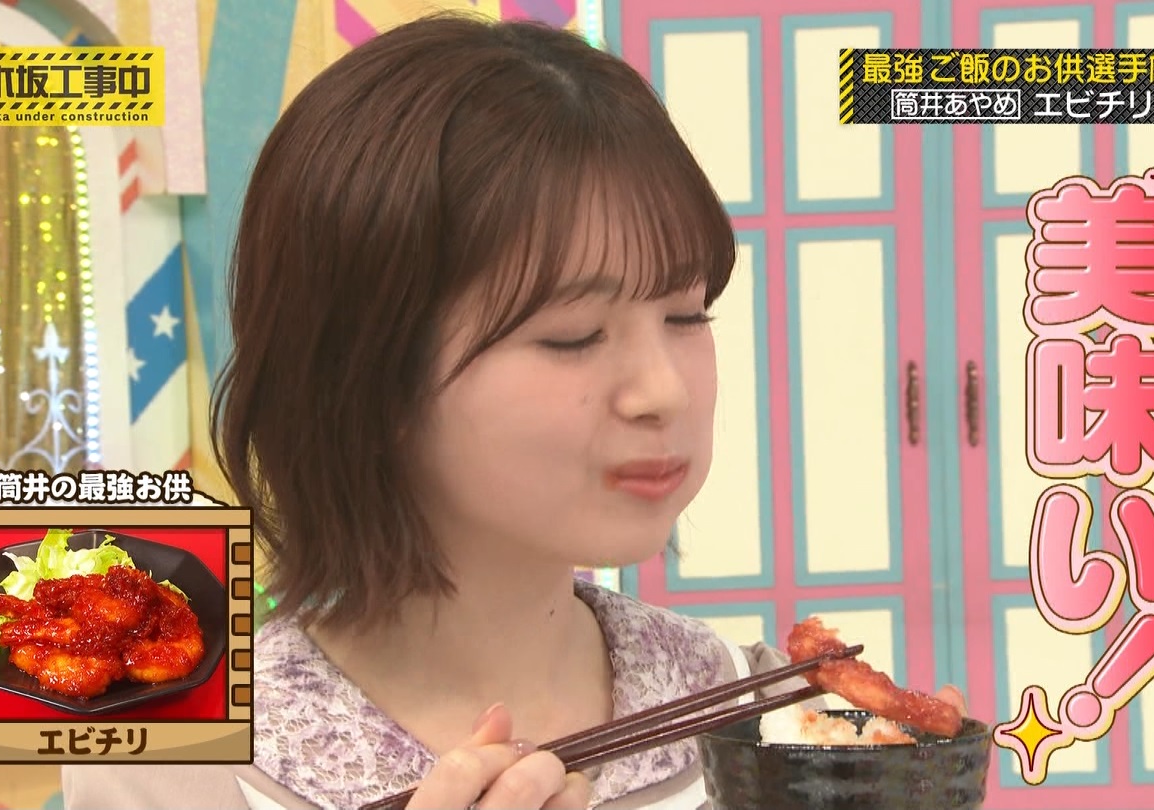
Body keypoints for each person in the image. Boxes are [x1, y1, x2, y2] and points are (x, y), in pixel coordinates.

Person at [63, 13, 964, 809]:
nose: (663, 391)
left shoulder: (766, 711)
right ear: (364, 373)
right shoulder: (164, 758)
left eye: (687, 315)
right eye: (573, 335)